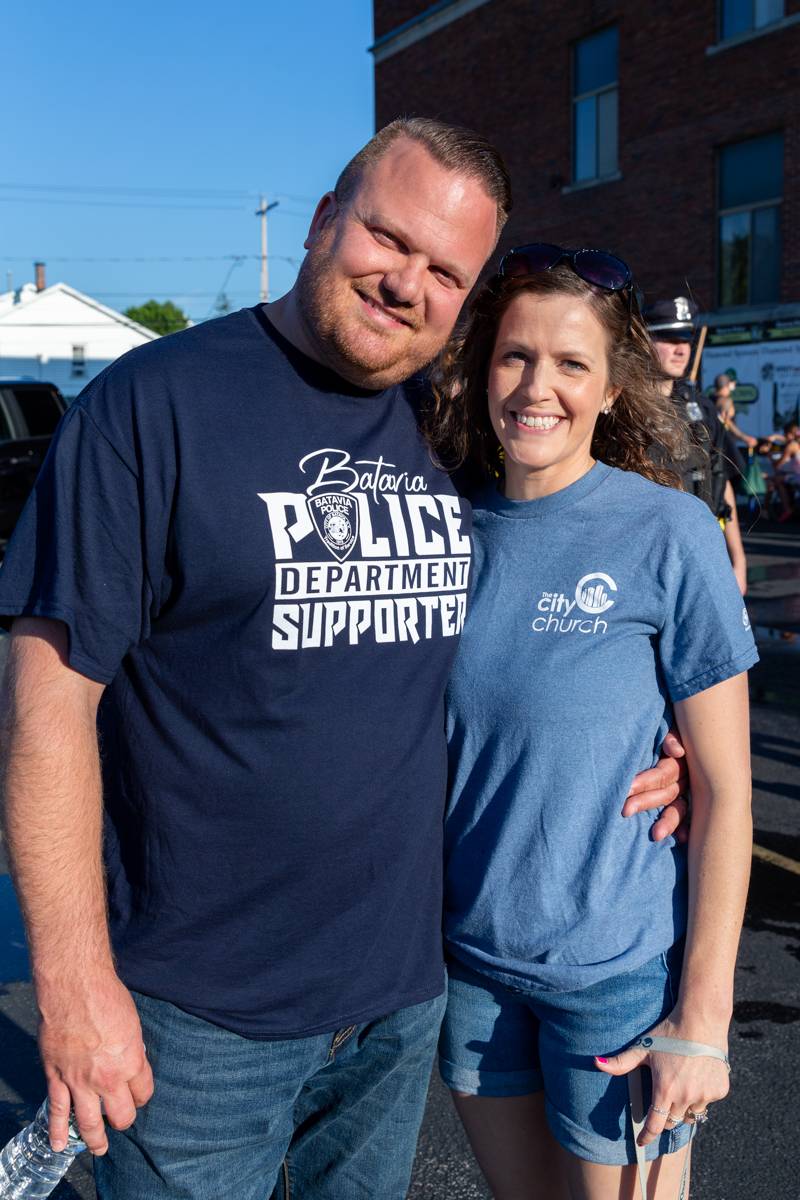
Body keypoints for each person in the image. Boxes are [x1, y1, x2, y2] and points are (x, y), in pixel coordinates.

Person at [0, 123, 685, 1200]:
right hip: (196, 1019)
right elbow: (46, 706)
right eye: (386, 236)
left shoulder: (450, 430)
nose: (406, 283)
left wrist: (668, 744)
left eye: (445, 272)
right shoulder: (154, 405)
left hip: (399, 1001)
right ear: (324, 220)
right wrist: (74, 985)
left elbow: (563, 593)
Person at [425, 246, 757, 1199]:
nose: (539, 387)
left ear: (614, 389)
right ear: (483, 369)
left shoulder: (665, 532)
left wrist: (702, 1018)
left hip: (614, 980)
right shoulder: (447, 530)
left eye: (572, 364)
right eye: (515, 357)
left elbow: (728, 792)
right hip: (476, 974)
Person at [643, 298, 749, 595]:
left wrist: (738, 562)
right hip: (647, 562)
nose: (681, 350)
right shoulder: (622, 409)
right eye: (668, 338)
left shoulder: (701, 408)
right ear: (643, 340)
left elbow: (721, 480)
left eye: (686, 340)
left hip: (705, 555)